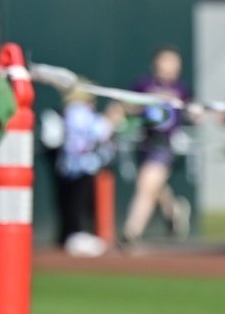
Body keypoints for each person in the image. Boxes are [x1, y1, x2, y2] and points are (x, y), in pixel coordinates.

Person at [120, 47, 192, 247]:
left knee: (146, 184)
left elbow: (192, 111)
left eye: (174, 62)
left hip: (165, 144)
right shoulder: (144, 85)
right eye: (165, 61)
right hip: (146, 142)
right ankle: (174, 210)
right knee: (154, 186)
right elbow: (129, 106)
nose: (169, 67)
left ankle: (131, 232)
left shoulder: (181, 90)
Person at [54, 85, 113, 256]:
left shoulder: (71, 112)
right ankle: (77, 236)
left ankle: (75, 235)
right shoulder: (79, 112)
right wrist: (110, 119)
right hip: (80, 164)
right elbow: (99, 132)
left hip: (73, 164)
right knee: (79, 202)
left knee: (74, 202)